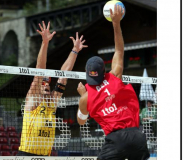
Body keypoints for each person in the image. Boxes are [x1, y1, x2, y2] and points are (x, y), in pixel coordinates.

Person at [76, 5, 150, 160]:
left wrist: (83, 97)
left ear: (88, 74)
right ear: (104, 70)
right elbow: (119, 51)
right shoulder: (115, 75)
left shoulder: (86, 97)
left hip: (116, 140)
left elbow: (81, 121)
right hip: (137, 136)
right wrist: (116, 24)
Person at [17, 21, 88, 156]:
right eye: (43, 83)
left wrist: (75, 51)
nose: (46, 84)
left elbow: (63, 75)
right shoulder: (33, 100)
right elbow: (39, 70)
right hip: (27, 155)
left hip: (46, 155)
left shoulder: (52, 103)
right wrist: (45, 43)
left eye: (48, 83)